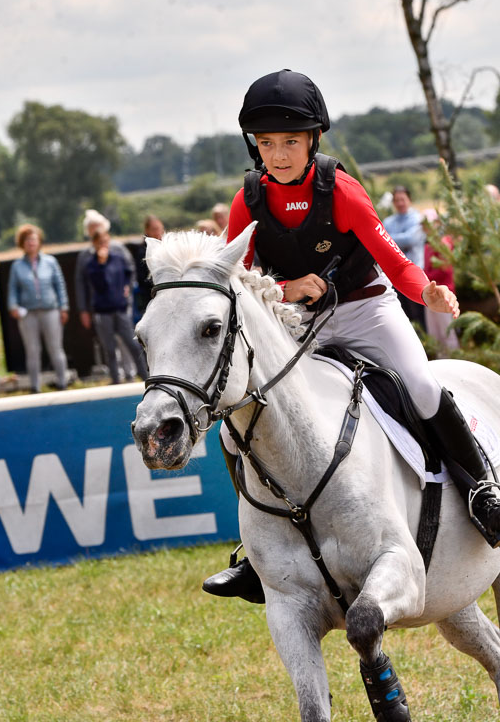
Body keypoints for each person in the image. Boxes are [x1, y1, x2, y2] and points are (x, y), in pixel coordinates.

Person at [202, 69, 500, 603]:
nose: (279, 154)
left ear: (313, 139)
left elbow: (393, 259)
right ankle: (255, 553)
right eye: (266, 144)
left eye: (290, 142)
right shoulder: (248, 201)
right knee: (234, 427)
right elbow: (238, 283)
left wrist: (427, 290)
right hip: (298, 326)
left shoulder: (338, 189)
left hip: (367, 309)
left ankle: (481, 490)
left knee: (422, 386)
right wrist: (285, 288)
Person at [75, 208, 137, 380]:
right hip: (100, 306)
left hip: (121, 303)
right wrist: (83, 309)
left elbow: (130, 271)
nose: (95, 230)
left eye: (98, 226)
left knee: (126, 339)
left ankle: (130, 371)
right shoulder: (85, 256)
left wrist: (127, 288)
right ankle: (115, 375)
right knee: (108, 343)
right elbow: (81, 283)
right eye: (92, 227)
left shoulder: (118, 248)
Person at [7, 224, 69, 393]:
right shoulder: (17, 266)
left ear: (39, 241)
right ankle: (35, 387)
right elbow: (13, 289)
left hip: (51, 310)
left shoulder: (50, 262)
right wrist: (13, 306)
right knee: (32, 350)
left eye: (33, 239)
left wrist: (64, 307)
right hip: (28, 314)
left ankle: (62, 383)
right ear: (22, 243)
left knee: (55, 348)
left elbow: (60, 285)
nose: (31, 243)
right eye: (27, 240)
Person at [86, 229, 148, 384]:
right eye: (99, 243)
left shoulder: (118, 258)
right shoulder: (92, 264)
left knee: (133, 344)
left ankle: (145, 375)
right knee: (110, 348)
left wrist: (126, 287)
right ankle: (115, 379)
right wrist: (101, 265)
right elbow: (99, 285)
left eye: (105, 242)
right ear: (94, 244)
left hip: (120, 308)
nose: (103, 246)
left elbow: (128, 273)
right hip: (103, 311)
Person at [383, 186, 426, 328]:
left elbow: (410, 239)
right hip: (395, 275)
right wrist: (392, 241)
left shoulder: (418, 218)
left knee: (419, 312)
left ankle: (428, 344)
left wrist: (391, 240)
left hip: (415, 273)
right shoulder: (388, 221)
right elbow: (382, 243)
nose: (400, 203)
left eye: (403, 199)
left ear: (409, 200)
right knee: (403, 313)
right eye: (396, 200)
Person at [421, 208, 460, 355]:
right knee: (434, 332)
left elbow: (445, 269)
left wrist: (425, 275)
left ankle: (455, 360)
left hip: (444, 293)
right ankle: (441, 363)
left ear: (437, 223)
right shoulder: (427, 245)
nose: (427, 227)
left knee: (447, 331)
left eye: (429, 223)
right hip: (430, 292)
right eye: (424, 224)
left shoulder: (444, 242)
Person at [135, 215, 165, 318]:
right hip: (152, 297)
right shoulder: (143, 252)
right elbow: (141, 278)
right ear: (147, 231)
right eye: (154, 229)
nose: (158, 232)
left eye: (159, 228)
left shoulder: (168, 246)